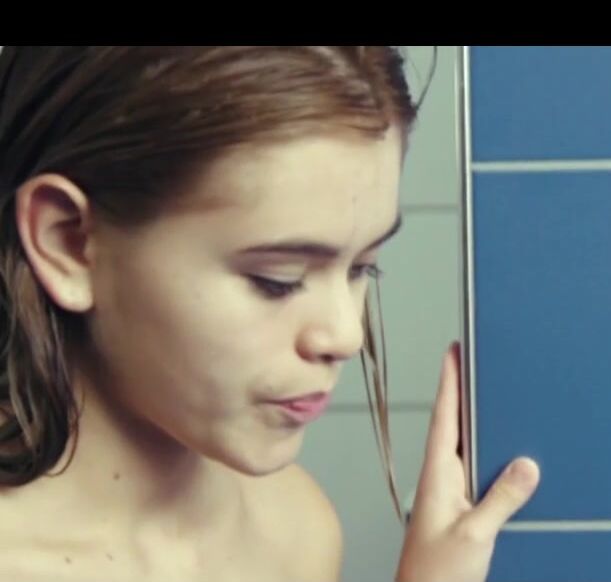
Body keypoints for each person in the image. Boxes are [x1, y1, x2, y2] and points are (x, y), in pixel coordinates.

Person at [0, 46, 537, 582]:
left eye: (362, 269)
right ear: (69, 243)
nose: (345, 335)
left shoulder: (295, 532)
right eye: (277, 279)